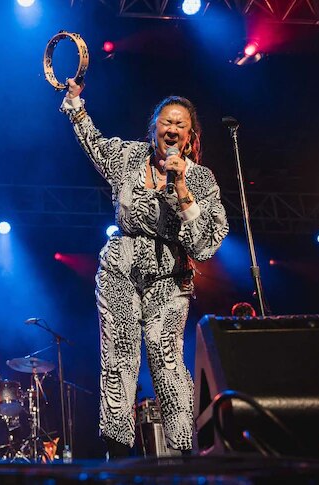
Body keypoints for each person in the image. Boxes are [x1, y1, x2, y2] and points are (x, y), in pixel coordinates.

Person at [60, 78, 229, 458]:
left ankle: (185, 453)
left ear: (190, 137)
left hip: (169, 278)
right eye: (166, 122)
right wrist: (75, 103)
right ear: (154, 128)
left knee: (166, 359)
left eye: (180, 125)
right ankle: (118, 454)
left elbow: (205, 245)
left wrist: (181, 189)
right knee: (118, 359)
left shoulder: (200, 179)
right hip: (119, 270)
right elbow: (93, 143)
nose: (172, 129)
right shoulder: (128, 158)